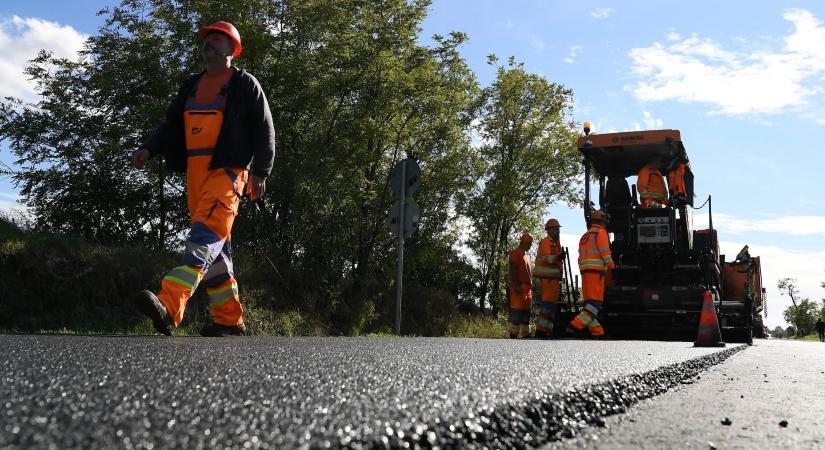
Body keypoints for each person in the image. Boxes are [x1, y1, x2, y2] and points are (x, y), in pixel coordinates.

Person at [131, 21, 276, 337]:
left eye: (217, 39)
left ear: (231, 50)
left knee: (203, 239)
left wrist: (261, 172)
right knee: (217, 252)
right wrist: (148, 148)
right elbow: (171, 126)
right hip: (195, 176)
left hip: (228, 174)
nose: (209, 43)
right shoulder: (191, 86)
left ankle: (170, 305)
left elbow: (265, 129)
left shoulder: (244, 84)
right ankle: (229, 319)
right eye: (207, 39)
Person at [569, 210, 614, 338]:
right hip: (596, 273)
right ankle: (574, 325)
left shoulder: (585, 236)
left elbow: (580, 257)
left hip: (585, 273)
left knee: (590, 304)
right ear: (602, 221)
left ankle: (597, 332)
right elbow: (605, 252)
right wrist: (612, 268)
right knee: (594, 305)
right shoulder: (601, 233)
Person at [533, 219, 565, 338]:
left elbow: (556, 260)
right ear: (549, 230)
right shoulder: (546, 242)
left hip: (554, 279)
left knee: (551, 305)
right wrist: (559, 257)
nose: (558, 231)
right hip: (547, 278)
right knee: (547, 305)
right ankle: (541, 331)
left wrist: (560, 258)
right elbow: (547, 258)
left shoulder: (556, 243)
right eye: (556, 229)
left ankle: (547, 330)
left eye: (558, 229)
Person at [508, 233, 534, 339]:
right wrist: (516, 285)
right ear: (526, 242)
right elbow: (513, 269)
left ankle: (526, 334)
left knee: (526, 313)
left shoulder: (526, 255)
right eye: (530, 243)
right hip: (519, 287)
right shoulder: (515, 253)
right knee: (517, 312)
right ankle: (513, 335)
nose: (531, 245)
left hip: (527, 289)